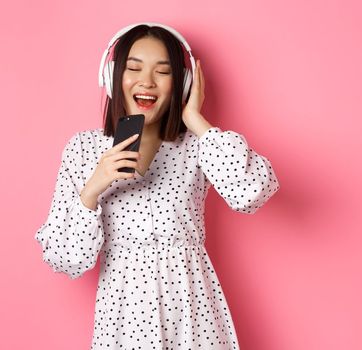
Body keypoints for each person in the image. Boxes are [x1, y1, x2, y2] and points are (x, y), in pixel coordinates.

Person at [33, 23, 280, 349]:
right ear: (112, 77)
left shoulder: (196, 146)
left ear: (182, 83)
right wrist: (94, 186)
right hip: (123, 316)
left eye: (162, 72)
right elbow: (65, 258)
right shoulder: (84, 149)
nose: (146, 81)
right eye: (134, 68)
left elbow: (252, 191)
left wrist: (197, 121)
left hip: (193, 313)